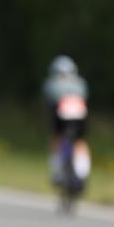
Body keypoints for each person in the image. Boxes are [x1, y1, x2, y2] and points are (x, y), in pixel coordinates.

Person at [43, 55, 90, 185]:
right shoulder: (80, 83)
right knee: (80, 142)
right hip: (80, 117)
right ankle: (82, 174)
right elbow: (85, 99)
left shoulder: (51, 84)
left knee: (56, 139)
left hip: (61, 118)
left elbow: (49, 104)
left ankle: (58, 172)